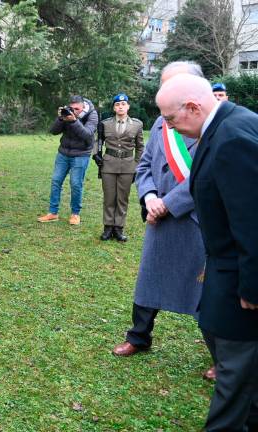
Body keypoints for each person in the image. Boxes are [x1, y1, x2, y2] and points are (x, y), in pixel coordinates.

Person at [158, 73, 258, 432]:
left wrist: (252, 286)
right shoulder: (225, 126)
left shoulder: (233, 137)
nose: (168, 127)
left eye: (170, 119)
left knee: (234, 373)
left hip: (240, 279)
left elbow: (252, 218)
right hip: (224, 271)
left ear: (193, 107)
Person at [112, 61, 214, 381]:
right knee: (149, 280)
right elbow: (144, 167)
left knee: (205, 290)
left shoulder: (210, 127)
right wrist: (150, 196)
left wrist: (169, 203)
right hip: (159, 218)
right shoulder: (160, 123)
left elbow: (205, 177)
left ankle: (222, 354)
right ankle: (138, 337)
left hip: (195, 220)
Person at [38, 95, 98, 225]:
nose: (74, 111)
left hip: (81, 154)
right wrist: (61, 118)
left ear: (83, 107)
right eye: (72, 108)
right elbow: (53, 131)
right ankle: (53, 213)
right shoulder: (67, 113)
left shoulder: (92, 115)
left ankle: (75, 214)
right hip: (64, 153)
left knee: (76, 184)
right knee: (55, 181)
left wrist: (73, 120)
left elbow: (87, 134)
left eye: (77, 109)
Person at [95, 93, 144, 241]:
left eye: (123, 104)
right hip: (109, 164)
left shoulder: (137, 124)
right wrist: (96, 154)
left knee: (122, 198)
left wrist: (136, 164)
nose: (120, 107)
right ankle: (108, 227)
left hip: (128, 165)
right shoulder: (105, 123)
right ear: (114, 108)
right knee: (109, 198)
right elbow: (97, 141)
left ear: (128, 106)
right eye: (117, 105)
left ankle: (119, 228)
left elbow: (140, 147)